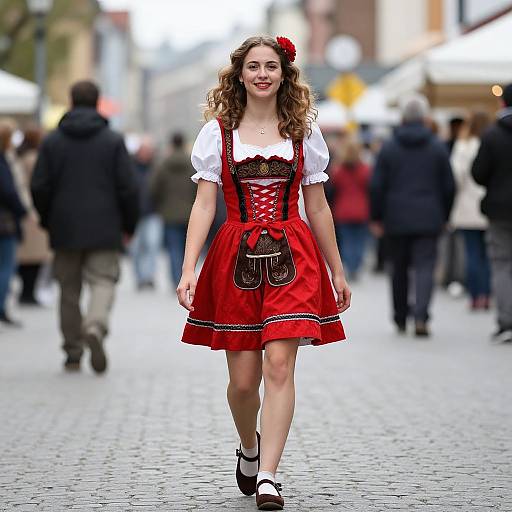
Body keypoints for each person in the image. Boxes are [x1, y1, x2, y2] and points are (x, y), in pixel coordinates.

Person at [177, 36, 350, 510]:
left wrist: (337, 269)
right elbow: (203, 204)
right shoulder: (218, 133)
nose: (262, 74)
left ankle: (269, 475)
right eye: (253, 66)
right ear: (239, 74)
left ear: (284, 73)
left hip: (293, 256)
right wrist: (189, 267)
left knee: (279, 364)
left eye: (270, 66)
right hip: (235, 256)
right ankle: (249, 447)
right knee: (242, 383)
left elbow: (317, 205)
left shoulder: (303, 132)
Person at [31, 80, 139, 373]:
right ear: (96, 103)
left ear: (71, 101)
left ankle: (72, 351)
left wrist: (47, 218)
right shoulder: (113, 140)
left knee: (68, 290)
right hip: (105, 226)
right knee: (103, 281)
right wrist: (129, 224)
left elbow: (39, 186)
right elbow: (128, 188)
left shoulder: (53, 141)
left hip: (64, 227)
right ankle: (95, 325)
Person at [370, 94, 455, 337]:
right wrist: (445, 214)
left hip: (395, 217)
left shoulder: (389, 147)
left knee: (398, 268)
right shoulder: (437, 146)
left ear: (403, 118)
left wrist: (376, 217)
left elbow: (377, 186)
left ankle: (400, 316)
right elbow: (448, 185)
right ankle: (421, 316)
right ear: (425, 118)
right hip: (429, 216)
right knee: (425, 267)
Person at [472, 83, 512, 343]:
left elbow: (478, 173)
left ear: (502, 103)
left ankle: (507, 321)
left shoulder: (492, 135)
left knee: (502, 263)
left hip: (499, 210)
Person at [450, 111, 491, 310]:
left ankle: (475, 296)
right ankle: (487, 295)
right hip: (489, 207)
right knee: (489, 255)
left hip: (467, 207)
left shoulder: (463, 146)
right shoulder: (490, 143)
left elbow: (455, 178)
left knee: (472, 254)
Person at [150, 133, 196, 289]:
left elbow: (154, 188)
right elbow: (198, 187)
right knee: (187, 247)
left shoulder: (163, 165)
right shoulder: (192, 165)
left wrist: (159, 204)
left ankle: (176, 279)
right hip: (190, 213)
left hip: (169, 213)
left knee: (173, 248)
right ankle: (187, 277)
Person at [15, 126, 52, 305]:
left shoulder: (19, 157)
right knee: (34, 257)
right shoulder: (34, 159)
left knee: (26, 256)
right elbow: (39, 185)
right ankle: (28, 293)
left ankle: (26, 292)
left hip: (26, 211)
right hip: (32, 212)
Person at [331, 136, 371, 281]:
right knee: (360, 241)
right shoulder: (366, 170)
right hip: (361, 210)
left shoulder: (338, 171)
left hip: (343, 210)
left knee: (347, 240)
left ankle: (350, 265)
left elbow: (333, 190)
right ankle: (356, 266)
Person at [0, 121, 26, 327]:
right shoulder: (2, 162)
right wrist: (22, 211)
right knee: (6, 266)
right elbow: (9, 192)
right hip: (4, 222)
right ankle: (1, 308)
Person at [130, 137, 162, 290]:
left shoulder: (157, 167)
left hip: (153, 212)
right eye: (143, 150)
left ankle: (149, 277)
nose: (145, 153)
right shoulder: (129, 166)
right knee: (135, 249)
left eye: (148, 150)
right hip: (134, 214)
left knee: (152, 245)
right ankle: (139, 277)